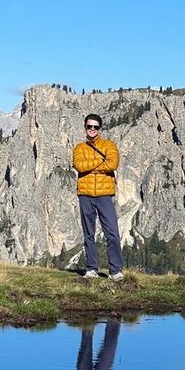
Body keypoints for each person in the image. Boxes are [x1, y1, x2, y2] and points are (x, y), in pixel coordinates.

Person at [72, 113, 124, 280]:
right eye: (89, 126)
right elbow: (79, 166)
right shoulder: (79, 148)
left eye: (95, 127)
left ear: (100, 128)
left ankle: (115, 270)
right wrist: (100, 162)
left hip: (104, 195)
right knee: (89, 233)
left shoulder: (109, 145)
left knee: (112, 233)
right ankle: (91, 268)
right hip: (85, 195)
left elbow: (113, 164)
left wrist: (91, 168)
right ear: (85, 127)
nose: (92, 129)